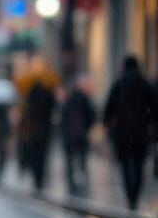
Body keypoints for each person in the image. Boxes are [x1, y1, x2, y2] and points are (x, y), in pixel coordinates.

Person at [103, 56, 157, 210]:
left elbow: (108, 109)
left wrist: (108, 125)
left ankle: (130, 196)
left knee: (125, 164)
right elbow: (155, 107)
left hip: (122, 134)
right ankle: (135, 195)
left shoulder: (118, 85)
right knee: (139, 165)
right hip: (141, 133)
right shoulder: (145, 84)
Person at [59, 77, 96, 194]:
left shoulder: (67, 100)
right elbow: (91, 114)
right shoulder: (84, 99)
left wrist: (64, 131)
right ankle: (83, 179)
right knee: (82, 159)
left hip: (69, 135)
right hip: (81, 134)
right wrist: (87, 127)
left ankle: (71, 183)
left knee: (70, 160)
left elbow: (63, 118)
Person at [22, 76, 56, 192]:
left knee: (35, 155)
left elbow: (27, 114)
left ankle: (37, 177)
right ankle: (40, 177)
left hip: (34, 131)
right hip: (44, 130)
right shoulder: (47, 95)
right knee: (42, 154)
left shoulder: (30, 97)